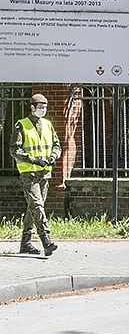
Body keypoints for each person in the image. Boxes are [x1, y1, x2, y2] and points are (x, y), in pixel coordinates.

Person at [10, 94, 62, 256]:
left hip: (44, 172)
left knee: (33, 207)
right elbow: (14, 150)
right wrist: (32, 159)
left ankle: (25, 242)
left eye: (45, 107)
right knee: (37, 204)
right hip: (29, 172)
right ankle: (45, 239)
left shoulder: (47, 124)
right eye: (40, 107)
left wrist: (54, 156)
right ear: (32, 107)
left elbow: (56, 145)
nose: (43, 110)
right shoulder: (22, 125)